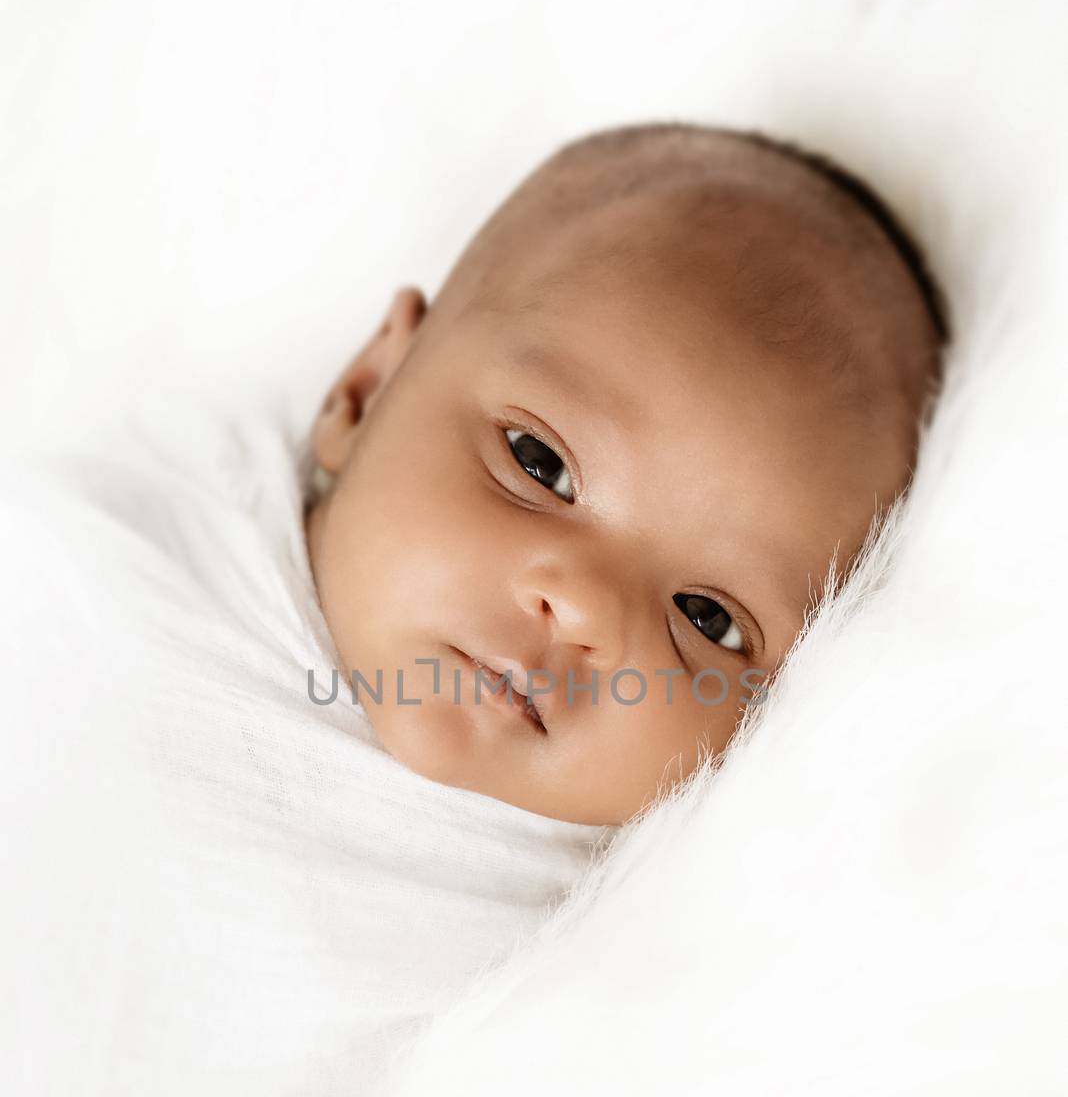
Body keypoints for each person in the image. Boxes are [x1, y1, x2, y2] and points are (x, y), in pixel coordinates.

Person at [304, 120, 950, 828]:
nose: (586, 610)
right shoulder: (177, 541)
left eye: (708, 618)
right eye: (538, 463)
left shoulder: (675, 899)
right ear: (368, 390)